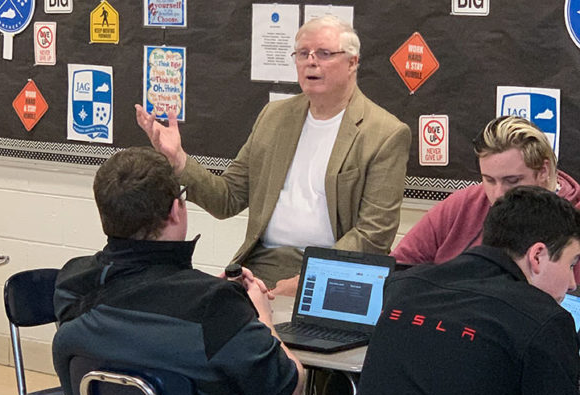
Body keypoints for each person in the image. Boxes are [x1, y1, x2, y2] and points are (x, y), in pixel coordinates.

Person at [135, 15, 411, 292]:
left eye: (324, 54)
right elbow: (227, 198)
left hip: (332, 276)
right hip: (260, 266)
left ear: (353, 62)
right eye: (303, 54)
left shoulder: (384, 134)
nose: (311, 62)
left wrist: (306, 281)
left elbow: (373, 236)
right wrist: (179, 159)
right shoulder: (274, 116)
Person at [52, 147, 305, 395]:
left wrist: (214, 295)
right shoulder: (216, 307)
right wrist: (262, 317)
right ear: (176, 210)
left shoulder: (72, 284)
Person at [352, 186, 580, 395]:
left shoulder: (401, 287)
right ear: (537, 256)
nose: (572, 282)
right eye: (571, 264)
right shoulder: (544, 320)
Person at [392, 115, 580, 268]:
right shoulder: (464, 203)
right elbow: (399, 265)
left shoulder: (573, 222)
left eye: (512, 181)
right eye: (489, 180)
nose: (498, 194)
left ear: (543, 171)